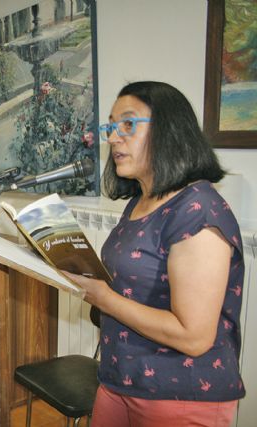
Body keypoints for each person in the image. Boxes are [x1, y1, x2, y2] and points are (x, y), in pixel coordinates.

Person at [63, 81, 244, 427]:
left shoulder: (198, 209)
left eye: (128, 124)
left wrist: (102, 297)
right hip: (119, 379)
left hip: (179, 393)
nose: (114, 137)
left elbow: (193, 337)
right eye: (111, 127)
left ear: (169, 130)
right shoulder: (138, 202)